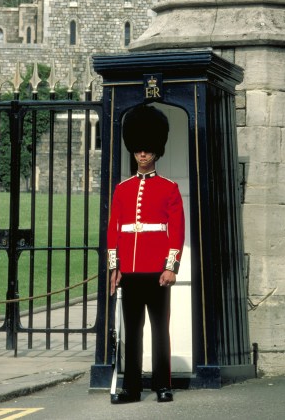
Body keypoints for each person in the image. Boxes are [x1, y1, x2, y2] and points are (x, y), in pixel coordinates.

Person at [107, 104, 185, 404]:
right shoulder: (122, 189)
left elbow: (176, 231)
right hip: (130, 271)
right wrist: (115, 267)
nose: (142, 154)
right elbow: (114, 229)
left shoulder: (169, 188)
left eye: (148, 149)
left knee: (159, 331)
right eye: (139, 149)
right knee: (133, 333)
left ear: (156, 152)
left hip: (157, 270)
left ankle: (163, 385)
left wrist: (171, 267)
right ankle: (133, 388)